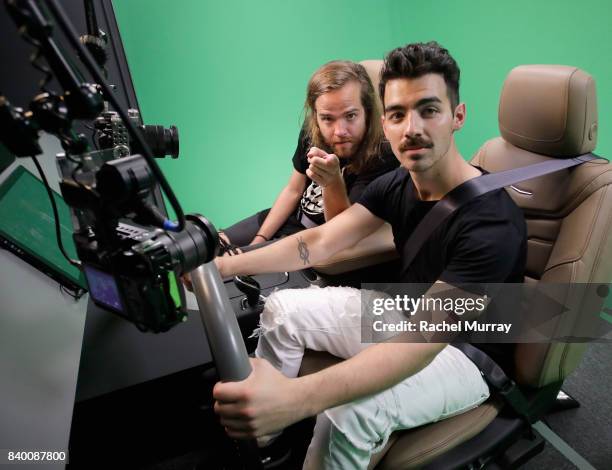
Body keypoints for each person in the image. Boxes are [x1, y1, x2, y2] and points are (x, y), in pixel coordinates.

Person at [209, 42, 527, 469]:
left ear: (458, 116)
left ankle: (286, 414)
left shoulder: (491, 222)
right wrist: (222, 266)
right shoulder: (398, 182)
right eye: (397, 114)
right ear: (386, 122)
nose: (411, 127)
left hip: (464, 354)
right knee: (282, 309)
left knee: (350, 413)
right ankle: (267, 441)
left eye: (428, 110)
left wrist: (296, 399)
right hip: (404, 311)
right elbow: (320, 242)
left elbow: (420, 343)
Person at [219, 60, 397, 251]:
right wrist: (259, 240)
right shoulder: (314, 130)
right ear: (316, 116)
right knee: (207, 249)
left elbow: (341, 234)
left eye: (351, 116)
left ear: (367, 112)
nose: (339, 131)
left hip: (315, 239)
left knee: (230, 266)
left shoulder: (383, 156)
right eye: (327, 118)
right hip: (291, 218)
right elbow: (293, 191)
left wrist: (332, 181)